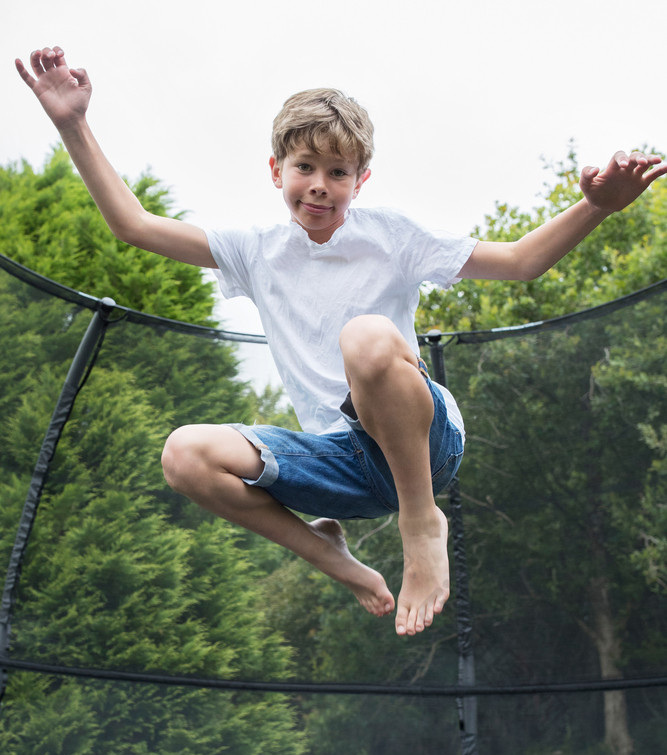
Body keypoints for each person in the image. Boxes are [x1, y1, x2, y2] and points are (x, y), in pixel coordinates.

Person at [16, 46, 667, 637]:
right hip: (337, 472)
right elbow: (133, 225)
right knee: (183, 453)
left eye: (338, 171)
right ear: (276, 170)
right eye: (305, 167)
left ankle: (421, 521)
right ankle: (330, 554)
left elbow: (521, 261)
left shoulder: (392, 237)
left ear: (362, 181)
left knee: (363, 339)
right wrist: (72, 123)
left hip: (422, 444)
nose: (320, 185)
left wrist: (597, 206)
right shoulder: (254, 250)